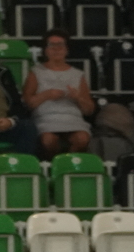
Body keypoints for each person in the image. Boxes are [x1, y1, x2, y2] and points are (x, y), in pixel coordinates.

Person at [24, 29, 95, 159]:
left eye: (60, 45)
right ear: (45, 50)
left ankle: (70, 163)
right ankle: (54, 165)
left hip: (72, 119)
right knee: (48, 141)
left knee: (82, 139)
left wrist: (78, 98)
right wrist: (46, 95)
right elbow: (28, 104)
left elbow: (89, 110)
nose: (56, 49)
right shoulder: (36, 72)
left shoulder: (78, 74)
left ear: (67, 49)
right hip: (46, 119)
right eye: (52, 45)